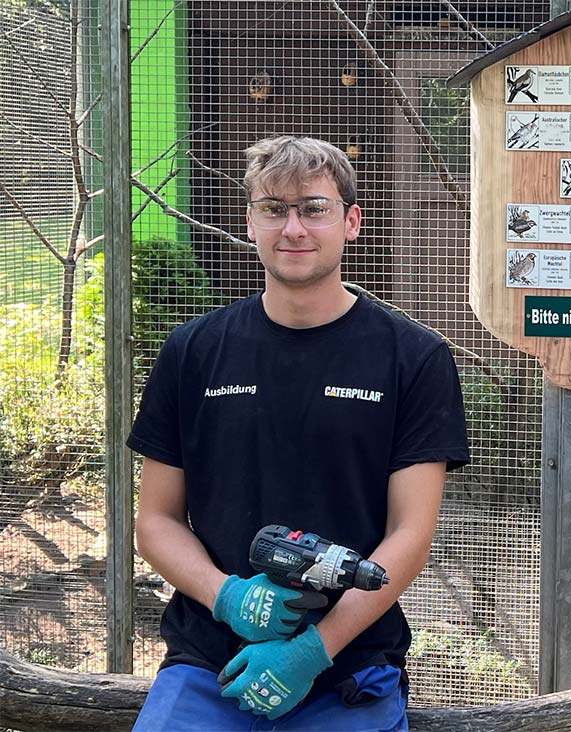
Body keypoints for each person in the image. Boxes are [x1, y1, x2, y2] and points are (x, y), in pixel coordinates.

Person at [127, 136, 470, 731]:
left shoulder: (413, 359)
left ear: (350, 222)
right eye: (273, 209)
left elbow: (409, 536)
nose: (293, 228)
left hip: (349, 669)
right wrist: (228, 596)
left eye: (313, 208)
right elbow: (154, 522)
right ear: (250, 222)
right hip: (210, 663)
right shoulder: (194, 352)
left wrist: (312, 651)